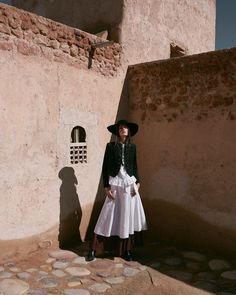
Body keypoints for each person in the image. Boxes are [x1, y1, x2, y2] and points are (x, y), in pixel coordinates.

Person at [86, 119, 147, 261]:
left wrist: (138, 183)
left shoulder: (133, 147)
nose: (123, 129)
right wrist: (106, 187)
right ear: (117, 131)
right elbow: (105, 167)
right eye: (120, 127)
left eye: (125, 127)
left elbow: (135, 166)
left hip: (130, 185)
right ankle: (95, 249)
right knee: (107, 215)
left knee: (127, 217)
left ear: (128, 131)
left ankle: (127, 250)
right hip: (115, 184)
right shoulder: (111, 146)